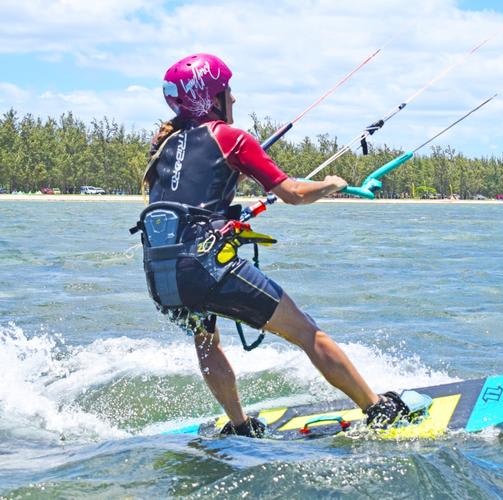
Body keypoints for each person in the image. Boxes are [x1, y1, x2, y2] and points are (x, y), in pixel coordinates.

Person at [134, 54, 407, 438]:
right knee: (307, 333)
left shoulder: (162, 145)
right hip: (205, 267)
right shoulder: (229, 136)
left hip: (163, 278)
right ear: (212, 98)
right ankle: (379, 410)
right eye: (228, 91)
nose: (234, 98)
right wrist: (333, 183)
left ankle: (240, 425)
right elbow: (293, 194)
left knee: (205, 339)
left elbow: (194, 195)